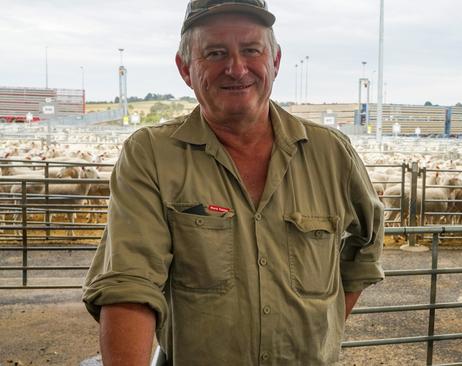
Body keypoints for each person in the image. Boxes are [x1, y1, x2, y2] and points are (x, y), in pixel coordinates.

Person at [82, 1, 385, 365]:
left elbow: (366, 244)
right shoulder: (152, 155)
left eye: (251, 50)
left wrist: (326, 320)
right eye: (215, 52)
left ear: (274, 61)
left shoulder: (331, 153)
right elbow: (130, 284)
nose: (236, 68)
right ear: (185, 69)